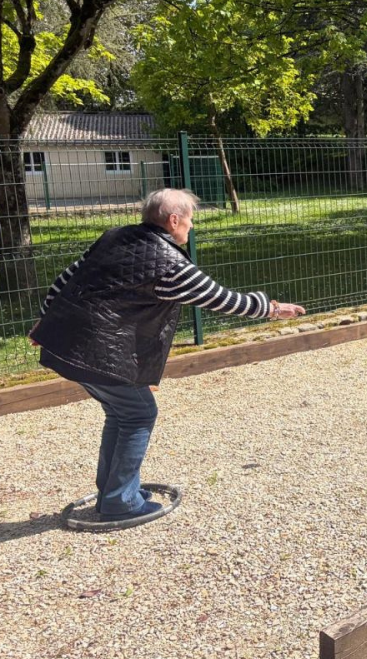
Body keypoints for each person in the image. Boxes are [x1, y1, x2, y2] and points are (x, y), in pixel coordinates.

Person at [30, 188, 305, 522]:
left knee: (121, 413)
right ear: (174, 220)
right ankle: (119, 502)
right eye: (189, 220)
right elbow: (221, 299)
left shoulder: (114, 237)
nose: (190, 227)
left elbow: (65, 281)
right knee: (138, 413)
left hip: (67, 345)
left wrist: (47, 321)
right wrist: (274, 308)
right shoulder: (169, 264)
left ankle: (115, 489)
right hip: (99, 354)